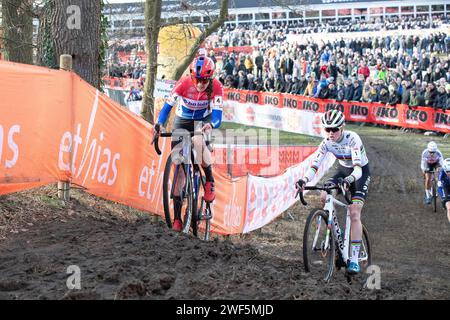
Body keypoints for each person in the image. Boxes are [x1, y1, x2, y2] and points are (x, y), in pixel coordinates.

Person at [152, 55, 223, 231]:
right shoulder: (183, 84)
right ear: (192, 77)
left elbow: (218, 116)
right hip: (181, 121)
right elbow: (167, 107)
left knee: (198, 140)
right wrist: (159, 124)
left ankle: (209, 182)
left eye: (204, 81)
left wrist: (211, 124)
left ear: (210, 78)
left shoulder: (216, 87)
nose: (200, 84)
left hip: (202, 121)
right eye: (197, 80)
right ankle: (177, 219)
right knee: (179, 170)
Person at [295, 110, 371, 275]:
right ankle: (338, 232)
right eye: (327, 129)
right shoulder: (326, 142)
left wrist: (349, 181)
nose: (330, 133)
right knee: (324, 195)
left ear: (342, 127)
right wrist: (304, 181)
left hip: (359, 174)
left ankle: (354, 259)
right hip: (342, 172)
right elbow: (315, 166)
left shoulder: (353, 139)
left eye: (334, 129)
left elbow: (357, 169)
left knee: (354, 212)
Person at [437, 158, 450, 223]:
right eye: (447, 172)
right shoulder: (441, 173)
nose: (449, 173)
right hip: (445, 187)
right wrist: (443, 197)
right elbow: (439, 187)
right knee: (449, 208)